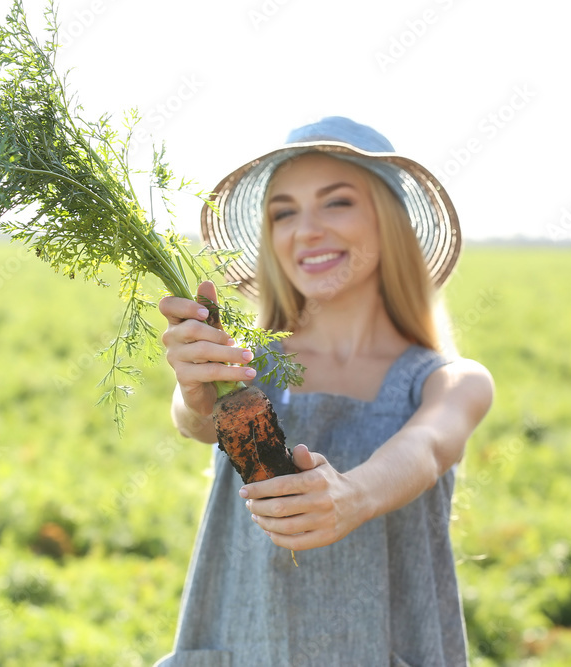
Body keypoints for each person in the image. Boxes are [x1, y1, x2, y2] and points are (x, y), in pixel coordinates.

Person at [154, 116, 494, 667]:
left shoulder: (449, 381)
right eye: (283, 211)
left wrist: (351, 497)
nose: (305, 230)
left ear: (390, 223)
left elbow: (428, 448)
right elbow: (195, 419)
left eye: (337, 203)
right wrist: (195, 392)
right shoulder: (244, 366)